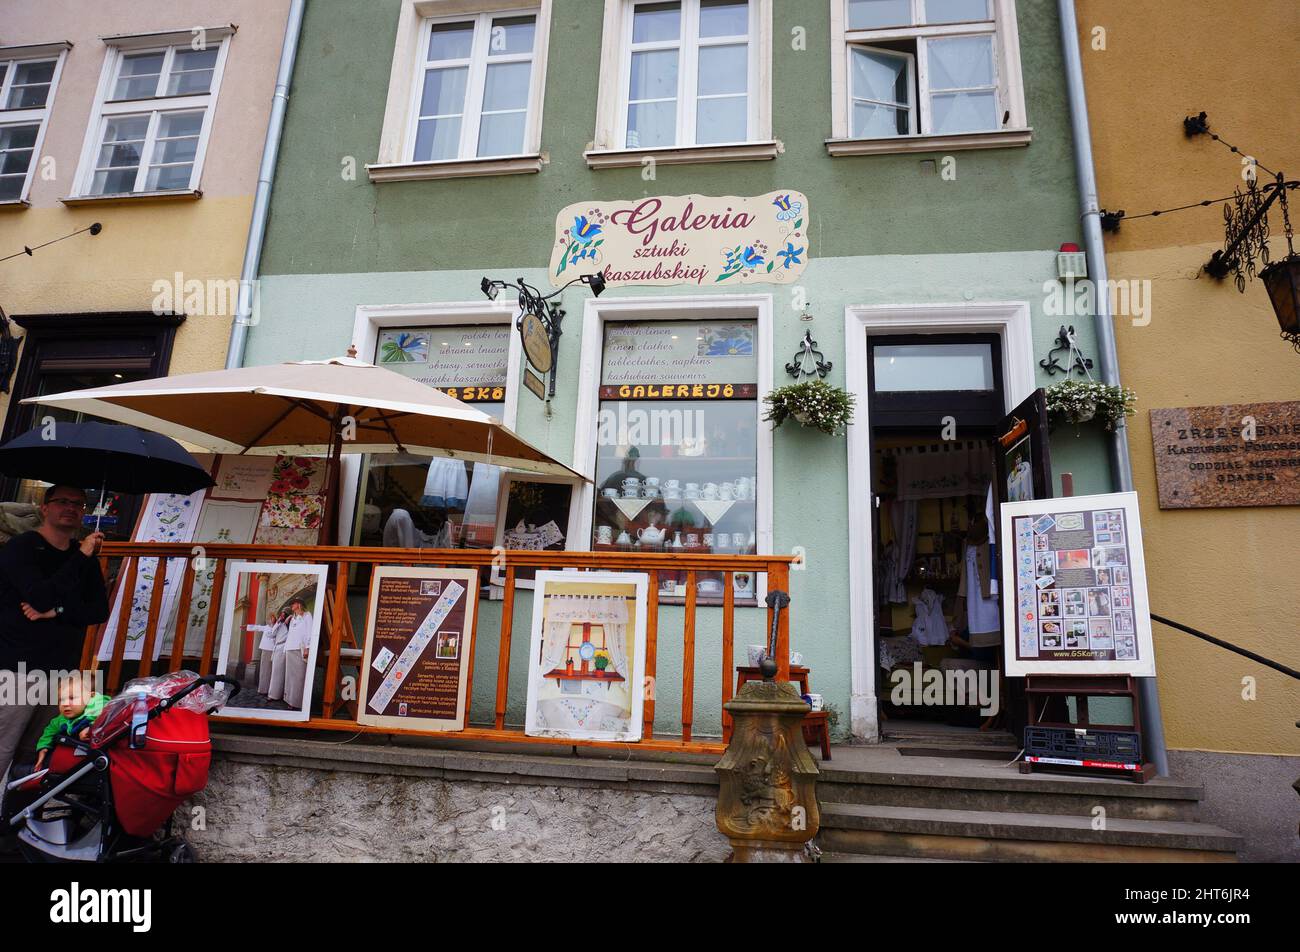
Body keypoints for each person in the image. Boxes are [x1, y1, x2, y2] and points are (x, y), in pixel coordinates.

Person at [0, 485, 108, 782]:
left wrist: (58, 611)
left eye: (78, 504)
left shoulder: (82, 557)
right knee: (3, 747)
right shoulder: (22, 547)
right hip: (16, 669)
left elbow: (98, 611)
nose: (71, 508)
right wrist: (82, 555)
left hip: (61, 672)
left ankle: (18, 811)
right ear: (44, 508)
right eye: (62, 501)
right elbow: (40, 597)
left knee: (37, 755)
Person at [33, 674, 109, 772]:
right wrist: (43, 748)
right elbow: (49, 732)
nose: (65, 704)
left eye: (72, 698)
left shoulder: (97, 706)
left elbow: (106, 713)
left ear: (91, 697)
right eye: (61, 699)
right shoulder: (61, 719)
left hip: (96, 757)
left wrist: (91, 728)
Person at [281, 596, 314, 709]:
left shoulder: (307, 615)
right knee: (289, 676)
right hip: (290, 649)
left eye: (293, 603)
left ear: (299, 604)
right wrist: (285, 649)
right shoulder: (293, 619)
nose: (292, 605)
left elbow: (310, 632)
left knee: (299, 677)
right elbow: (290, 635)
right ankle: (289, 699)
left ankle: (296, 702)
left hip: (299, 649)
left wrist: (308, 647)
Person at [256, 611, 288, 695]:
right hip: (266, 650)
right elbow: (257, 627)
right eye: (270, 618)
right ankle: (262, 689)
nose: (272, 619)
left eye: (273, 617)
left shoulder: (280, 625)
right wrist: (247, 627)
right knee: (264, 670)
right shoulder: (267, 627)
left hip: (275, 650)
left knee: (272, 671)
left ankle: (269, 690)